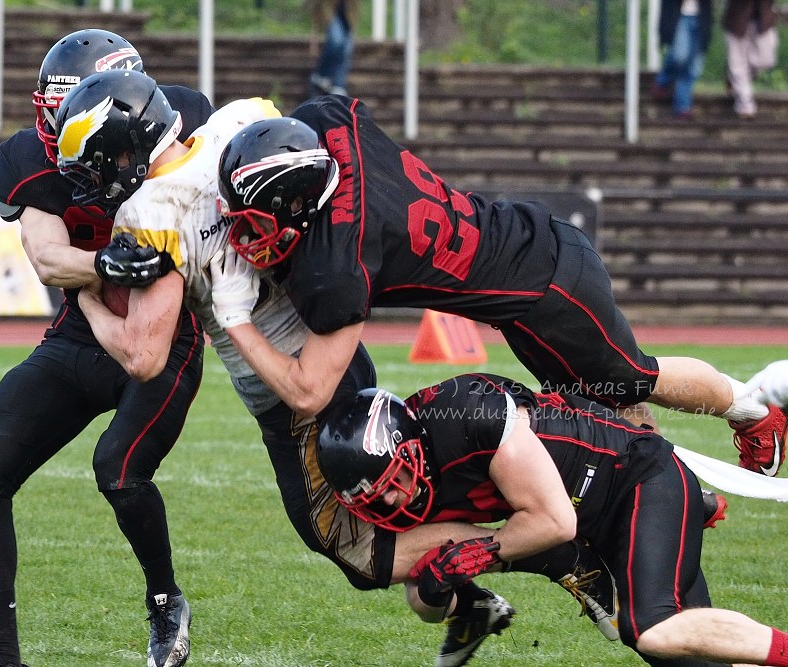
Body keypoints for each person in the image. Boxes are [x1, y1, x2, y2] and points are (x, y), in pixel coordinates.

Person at [54, 69, 625, 666]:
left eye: (96, 162)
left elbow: (144, 357)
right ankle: (477, 595)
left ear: (121, 150)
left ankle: (556, 550)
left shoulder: (151, 211)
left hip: (293, 384)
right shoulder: (240, 120)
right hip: (339, 344)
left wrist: (89, 295)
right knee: (382, 526)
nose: (94, 180)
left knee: (355, 548)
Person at [211, 96, 787, 479]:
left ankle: (751, 411)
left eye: (257, 222)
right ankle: (676, 489)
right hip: (524, 260)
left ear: (301, 200)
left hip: (549, 289)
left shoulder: (336, 265)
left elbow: (310, 392)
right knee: (603, 411)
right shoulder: (329, 123)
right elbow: (308, 121)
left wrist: (235, 321)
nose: (247, 238)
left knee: (630, 382)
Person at [0, 30, 213, 667]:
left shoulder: (181, 120)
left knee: (120, 471)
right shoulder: (29, 155)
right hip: (82, 328)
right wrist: (109, 264)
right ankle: (4, 658)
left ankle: (165, 604)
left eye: (67, 105)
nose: (51, 122)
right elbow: (47, 259)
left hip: (164, 329)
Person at [315, 377, 788, 667]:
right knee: (691, 658)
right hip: (592, 516)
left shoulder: (466, 416)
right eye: (376, 499)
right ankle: (572, 565)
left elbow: (555, 520)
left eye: (394, 480)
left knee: (652, 627)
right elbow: (424, 593)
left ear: (410, 446)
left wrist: (477, 553)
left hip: (638, 479)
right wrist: (449, 588)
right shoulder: (416, 475)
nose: (395, 500)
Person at [650, 0, 715, 119]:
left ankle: (682, 107)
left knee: (694, 67)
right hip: (679, 16)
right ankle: (663, 80)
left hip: (702, 18)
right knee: (679, 56)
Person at [722, 0, 779, 120]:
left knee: (766, 60)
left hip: (764, 20)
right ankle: (745, 105)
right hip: (737, 20)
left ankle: (734, 81)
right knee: (737, 65)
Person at [308, 0, 359, 97]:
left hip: (347, 12)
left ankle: (338, 84)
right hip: (329, 10)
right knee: (336, 40)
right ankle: (321, 74)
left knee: (347, 48)